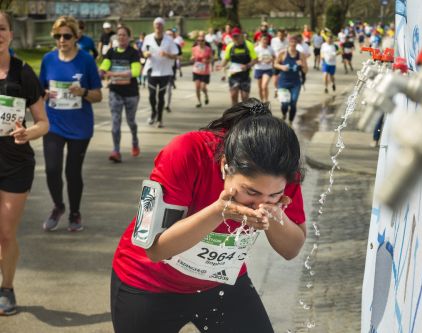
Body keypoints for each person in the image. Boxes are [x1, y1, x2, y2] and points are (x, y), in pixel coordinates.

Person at [110, 98, 306, 333]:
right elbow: (155, 250)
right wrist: (218, 212)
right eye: (251, 192)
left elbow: (291, 249)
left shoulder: (281, 171)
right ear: (225, 165)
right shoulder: (185, 151)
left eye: (273, 195)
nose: (258, 205)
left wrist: (275, 216)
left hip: (221, 280)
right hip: (148, 283)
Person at [0, 11, 49, 316]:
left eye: (1, 28)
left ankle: (6, 287)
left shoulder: (23, 73)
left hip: (15, 164)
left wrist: (28, 132)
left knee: (5, 233)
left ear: (10, 34)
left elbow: (43, 122)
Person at [39, 16, 102, 232]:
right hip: (54, 123)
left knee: (72, 172)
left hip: (79, 127)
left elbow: (98, 95)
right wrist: (45, 94)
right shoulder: (48, 60)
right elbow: (40, 91)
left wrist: (83, 92)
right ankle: (58, 206)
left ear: (76, 37)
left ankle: (75, 213)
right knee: (52, 169)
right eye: (57, 36)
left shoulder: (85, 60)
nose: (62, 40)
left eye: (66, 36)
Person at [99, 25, 141, 163]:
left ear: (129, 37)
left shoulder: (133, 53)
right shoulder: (111, 52)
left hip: (131, 94)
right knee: (116, 122)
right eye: (119, 35)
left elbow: (135, 72)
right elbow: (104, 67)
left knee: (131, 121)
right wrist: (101, 72)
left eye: (124, 35)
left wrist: (114, 73)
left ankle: (134, 141)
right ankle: (116, 150)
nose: (121, 37)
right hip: (115, 92)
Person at [142, 17, 178, 128]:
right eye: (156, 24)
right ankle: (153, 112)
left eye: (160, 25)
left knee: (161, 96)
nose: (158, 26)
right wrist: (146, 54)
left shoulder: (169, 40)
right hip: (151, 70)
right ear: (154, 26)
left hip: (165, 71)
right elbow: (143, 51)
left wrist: (167, 54)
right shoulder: (148, 38)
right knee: (152, 95)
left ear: (163, 26)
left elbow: (175, 55)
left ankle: (160, 118)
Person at [274, 34, 308, 126]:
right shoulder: (283, 53)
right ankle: (284, 114)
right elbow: (275, 64)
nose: (293, 44)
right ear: (288, 43)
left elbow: (306, 70)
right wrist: (281, 66)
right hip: (283, 82)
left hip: (295, 83)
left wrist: (302, 64)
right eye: (291, 42)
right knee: (285, 104)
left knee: (293, 103)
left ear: (297, 43)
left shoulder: (301, 55)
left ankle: (290, 122)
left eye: (294, 42)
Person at [218, 27, 257, 105]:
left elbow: (255, 59)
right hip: (233, 75)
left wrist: (247, 65)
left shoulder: (249, 45)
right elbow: (226, 59)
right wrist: (221, 65)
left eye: (236, 36)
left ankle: (244, 115)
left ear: (241, 35)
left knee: (244, 97)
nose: (235, 38)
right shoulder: (230, 46)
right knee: (233, 95)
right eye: (233, 36)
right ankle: (235, 114)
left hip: (245, 75)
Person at [191, 31, 212, 108]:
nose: (200, 42)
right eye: (198, 41)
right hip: (196, 70)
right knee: (197, 87)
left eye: (202, 40)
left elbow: (211, 59)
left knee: (203, 87)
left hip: (205, 71)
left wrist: (207, 61)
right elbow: (192, 58)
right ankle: (198, 101)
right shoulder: (194, 48)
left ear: (204, 41)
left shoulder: (208, 49)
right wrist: (192, 59)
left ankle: (206, 96)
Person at [254, 33, 275, 103]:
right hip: (258, 69)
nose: (265, 41)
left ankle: (266, 101)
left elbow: (274, 57)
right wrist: (258, 60)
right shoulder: (256, 49)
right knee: (260, 88)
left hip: (267, 69)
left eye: (266, 39)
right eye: (263, 39)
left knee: (264, 86)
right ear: (260, 39)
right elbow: (253, 59)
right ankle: (262, 101)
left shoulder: (270, 48)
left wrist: (271, 60)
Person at [270, 29, 288, 98]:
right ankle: (276, 89)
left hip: (284, 61)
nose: (280, 36)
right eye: (279, 35)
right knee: (275, 77)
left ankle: (282, 89)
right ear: (277, 35)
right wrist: (272, 61)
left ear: (284, 35)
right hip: (276, 60)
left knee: (283, 76)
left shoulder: (287, 41)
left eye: (282, 35)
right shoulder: (273, 40)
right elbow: (272, 51)